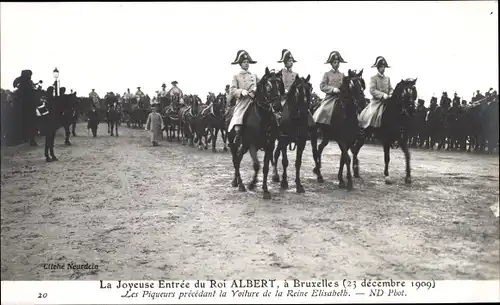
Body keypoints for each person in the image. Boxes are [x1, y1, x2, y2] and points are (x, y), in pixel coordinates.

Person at [227, 50, 259, 145]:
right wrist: (241, 91)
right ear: (240, 64)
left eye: (247, 62)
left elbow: (262, 84)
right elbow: (232, 90)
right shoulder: (236, 76)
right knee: (239, 114)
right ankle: (237, 134)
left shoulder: (254, 75)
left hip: (254, 99)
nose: (246, 64)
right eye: (244, 62)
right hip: (243, 100)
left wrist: (257, 88)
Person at [358, 56, 393, 129]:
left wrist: (390, 94)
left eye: (384, 67)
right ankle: (371, 130)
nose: (383, 68)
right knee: (372, 114)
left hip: (387, 101)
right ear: (378, 68)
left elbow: (391, 88)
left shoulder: (387, 78)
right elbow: (372, 90)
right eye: (381, 67)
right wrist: (382, 95)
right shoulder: (374, 78)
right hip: (376, 101)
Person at [312, 51, 347, 125]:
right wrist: (332, 89)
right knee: (324, 110)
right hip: (330, 97)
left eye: (338, 62)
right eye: (334, 62)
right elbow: (322, 86)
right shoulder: (327, 74)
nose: (336, 64)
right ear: (331, 64)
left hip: (341, 97)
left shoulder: (342, 75)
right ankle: (320, 128)